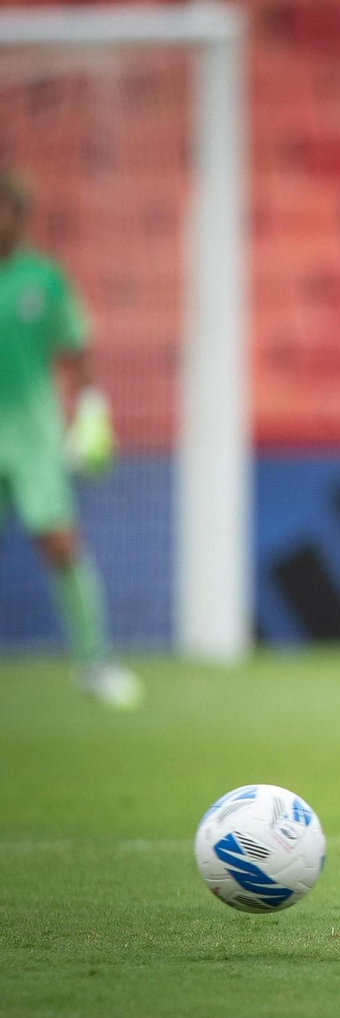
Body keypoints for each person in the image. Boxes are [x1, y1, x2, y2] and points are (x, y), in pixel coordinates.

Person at [0, 172, 141, 709]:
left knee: (59, 542)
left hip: (32, 435)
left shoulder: (43, 280)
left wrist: (89, 413)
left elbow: (75, 352)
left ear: (20, 215)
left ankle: (93, 661)